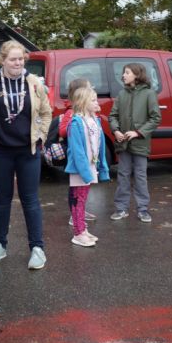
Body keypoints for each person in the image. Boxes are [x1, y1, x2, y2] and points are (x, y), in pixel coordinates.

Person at [0, 40, 52, 269]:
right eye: (13, 59)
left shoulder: (34, 83)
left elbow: (46, 112)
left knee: (30, 199)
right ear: (3, 60)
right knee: (2, 199)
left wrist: (40, 137)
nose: (18, 63)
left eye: (21, 59)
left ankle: (37, 248)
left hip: (27, 150)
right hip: (0, 150)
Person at [108, 63, 161, 223]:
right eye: (124, 73)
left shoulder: (149, 94)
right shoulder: (121, 94)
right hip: (123, 144)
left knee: (140, 177)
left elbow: (155, 118)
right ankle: (121, 208)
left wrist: (138, 132)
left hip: (140, 144)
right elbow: (113, 116)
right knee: (123, 176)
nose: (123, 75)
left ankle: (143, 210)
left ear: (137, 75)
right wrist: (116, 130)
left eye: (127, 72)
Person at [65, 87, 110, 247]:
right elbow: (77, 151)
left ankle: (83, 229)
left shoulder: (95, 120)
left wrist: (100, 167)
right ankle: (78, 233)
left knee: (83, 200)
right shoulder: (76, 123)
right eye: (93, 100)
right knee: (78, 200)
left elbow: (99, 145)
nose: (97, 103)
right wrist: (85, 172)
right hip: (80, 170)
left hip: (90, 167)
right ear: (83, 102)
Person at [58, 78, 97, 227]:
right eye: (88, 88)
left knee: (83, 189)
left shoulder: (87, 113)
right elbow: (62, 131)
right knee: (75, 189)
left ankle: (81, 211)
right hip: (74, 158)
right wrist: (75, 124)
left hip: (85, 158)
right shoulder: (72, 113)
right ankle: (73, 214)